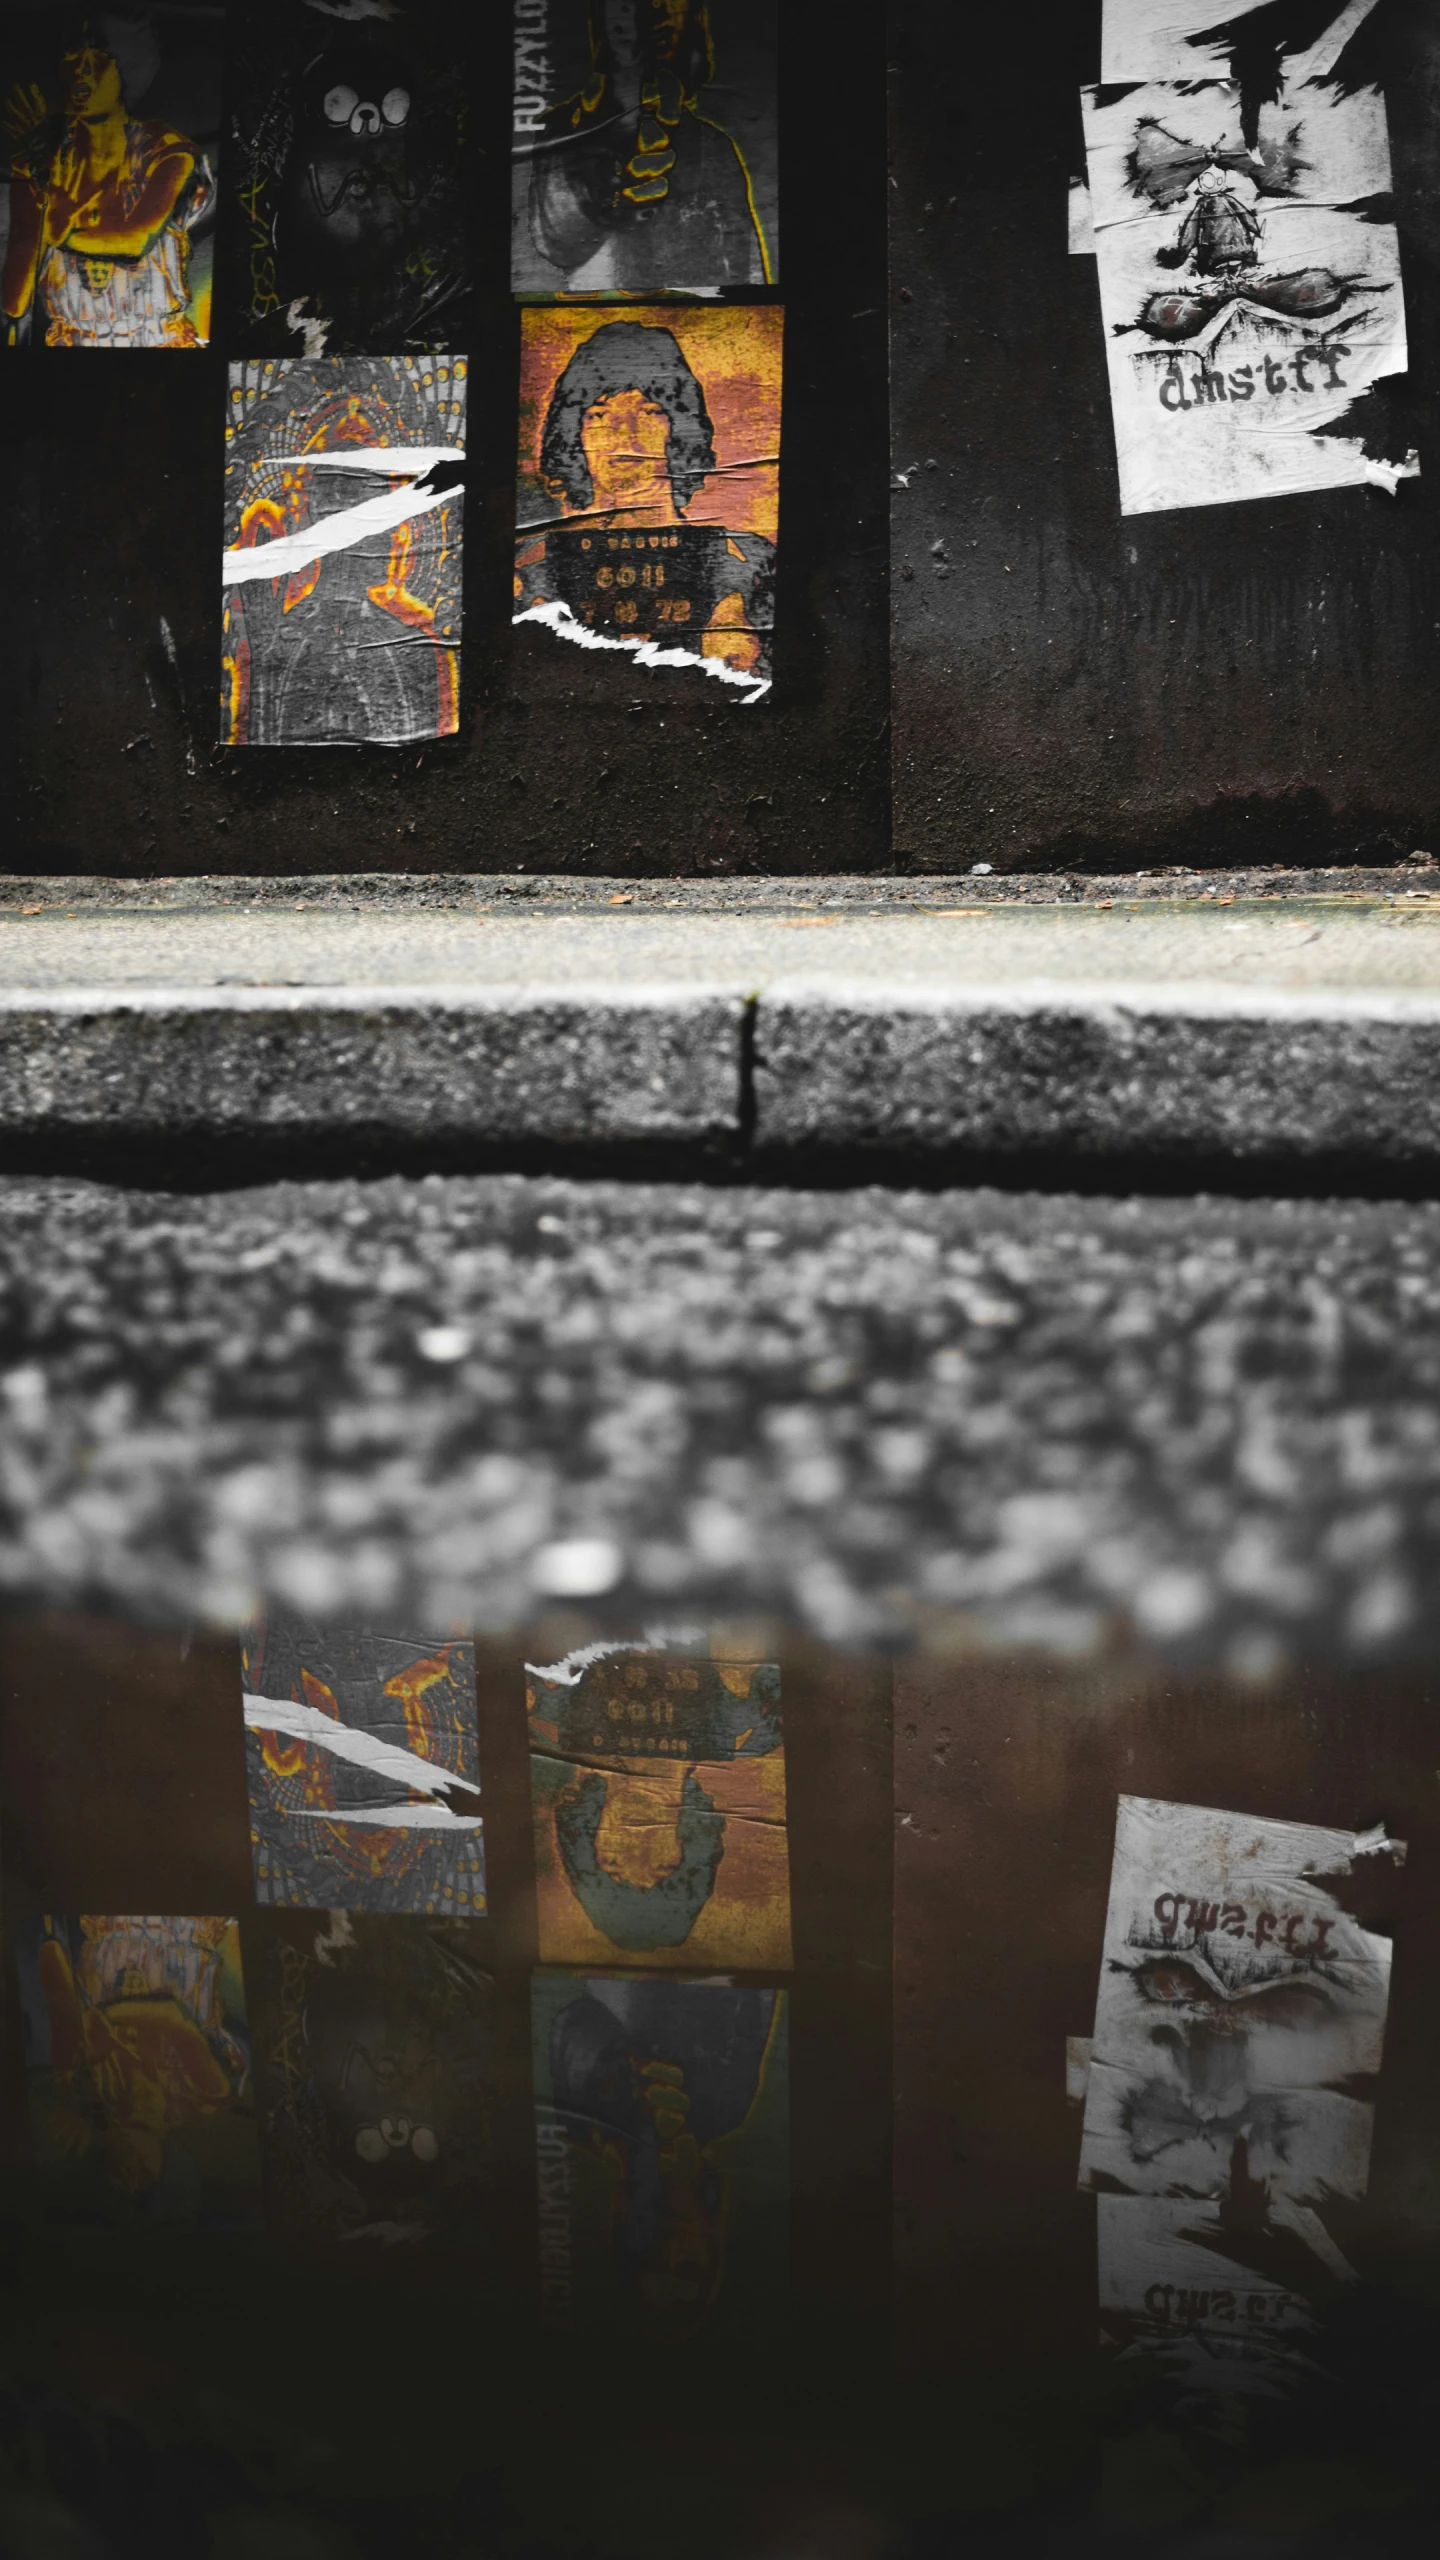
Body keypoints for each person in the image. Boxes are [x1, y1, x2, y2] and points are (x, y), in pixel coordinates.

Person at [515, 317, 774, 679]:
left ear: (679, 432)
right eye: (600, 415)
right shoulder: (528, 566)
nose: (626, 435)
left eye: (649, 412)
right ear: (575, 436)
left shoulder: (750, 561)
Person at [526, 0, 770, 292]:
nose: (652, 14)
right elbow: (554, 242)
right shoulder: (563, 130)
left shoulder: (713, 145)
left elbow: (747, 269)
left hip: (696, 320)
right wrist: (602, 188)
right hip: (601, 316)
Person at [2, 31, 211, 346]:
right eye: (73, 50)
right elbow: (16, 303)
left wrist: (45, 170)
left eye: (99, 51)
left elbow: (132, 241)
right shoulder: (37, 160)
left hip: (159, 347)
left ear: (132, 66)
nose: (82, 67)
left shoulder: (167, 151)